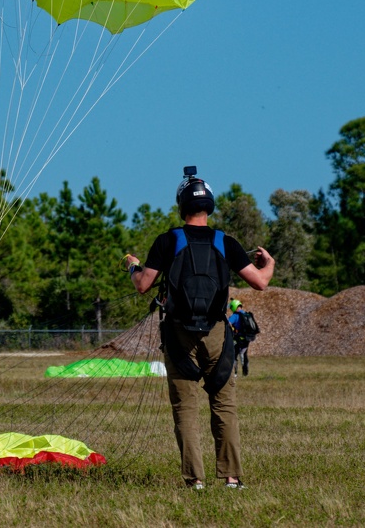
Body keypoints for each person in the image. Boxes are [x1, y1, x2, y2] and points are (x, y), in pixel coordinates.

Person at [125, 168, 274, 490]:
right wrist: (269, 263)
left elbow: (143, 285)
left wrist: (132, 266)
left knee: (185, 409)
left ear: (181, 205)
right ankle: (232, 477)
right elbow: (260, 283)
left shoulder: (167, 241)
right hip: (219, 334)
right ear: (210, 205)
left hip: (179, 335)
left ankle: (195, 479)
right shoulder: (226, 242)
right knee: (224, 406)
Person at [227, 299, 251, 377]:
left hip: (237, 338)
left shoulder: (235, 315)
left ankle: (235, 373)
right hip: (246, 338)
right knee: (243, 354)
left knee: (234, 355)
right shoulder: (246, 314)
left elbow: (228, 324)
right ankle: (245, 371)